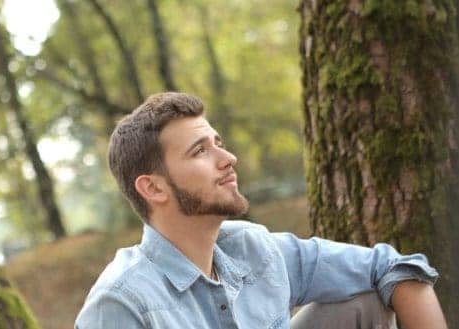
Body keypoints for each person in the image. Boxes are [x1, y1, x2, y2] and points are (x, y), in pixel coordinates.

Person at [75, 92, 446, 329]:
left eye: (217, 143)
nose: (228, 158)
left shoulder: (254, 249)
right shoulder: (120, 304)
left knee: (364, 300)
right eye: (200, 151)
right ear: (153, 187)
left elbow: (395, 267)